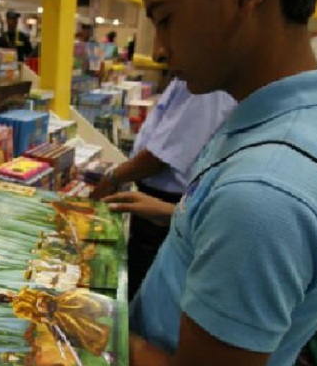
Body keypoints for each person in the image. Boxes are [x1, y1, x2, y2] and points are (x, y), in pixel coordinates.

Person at [104, 0, 317, 365]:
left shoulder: (263, 192)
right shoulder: (312, 126)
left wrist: (107, 333)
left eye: (165, 18)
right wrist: (177, 215)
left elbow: (256, 216)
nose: (158, 49)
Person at [90, 77, 235, 298]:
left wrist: (112, 178)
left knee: (144, 283)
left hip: (167, 201)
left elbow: (160, 157)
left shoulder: (204, 88)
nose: (159, 52)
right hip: (158, 202)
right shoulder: (191, 80)